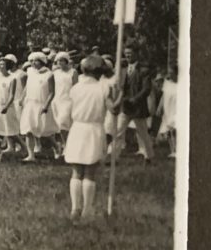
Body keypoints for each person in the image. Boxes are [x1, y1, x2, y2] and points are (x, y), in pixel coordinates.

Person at [64, 55, 115, 221]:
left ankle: (74, 208)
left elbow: (66, 114)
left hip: (77, 128)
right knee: (90, 171)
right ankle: (86, 210)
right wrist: (119, 95)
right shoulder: (102, 89)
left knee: (76, 171)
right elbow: (113, 109)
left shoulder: (75, 88)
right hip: (94, 129)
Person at [117, 45, 155, 163]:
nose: (128, 56)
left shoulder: (144, 70)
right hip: (126, 106)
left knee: (143, 133)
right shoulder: (123, 70)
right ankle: (112, 157)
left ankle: (149, 156)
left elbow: (146, 89)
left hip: (138, 107)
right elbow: (121, 87)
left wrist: (135, 99)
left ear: (136, 54)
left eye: (130, 53)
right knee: (118, 131)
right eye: (126, 53)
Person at [19, 51, 59, 162]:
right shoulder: (30, 72)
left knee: (44, 132)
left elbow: (52, 92)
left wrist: (46, 105)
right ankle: (31, 155)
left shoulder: (49, 74)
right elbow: (27, 87)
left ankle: (56, 147)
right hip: (30, 104)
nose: (32, 63)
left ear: (41, 62)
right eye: (31, 61)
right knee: (28, 130)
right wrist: (22, 98)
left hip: (42, 104)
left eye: (35, 61)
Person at [0, 54, 21, 162]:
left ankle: (24, 147)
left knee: (10, 131)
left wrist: (7, 106)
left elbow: (12, 95)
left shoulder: (12, 78)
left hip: (7, 106)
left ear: (7, 66)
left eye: (3, 64)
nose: (0, 66)